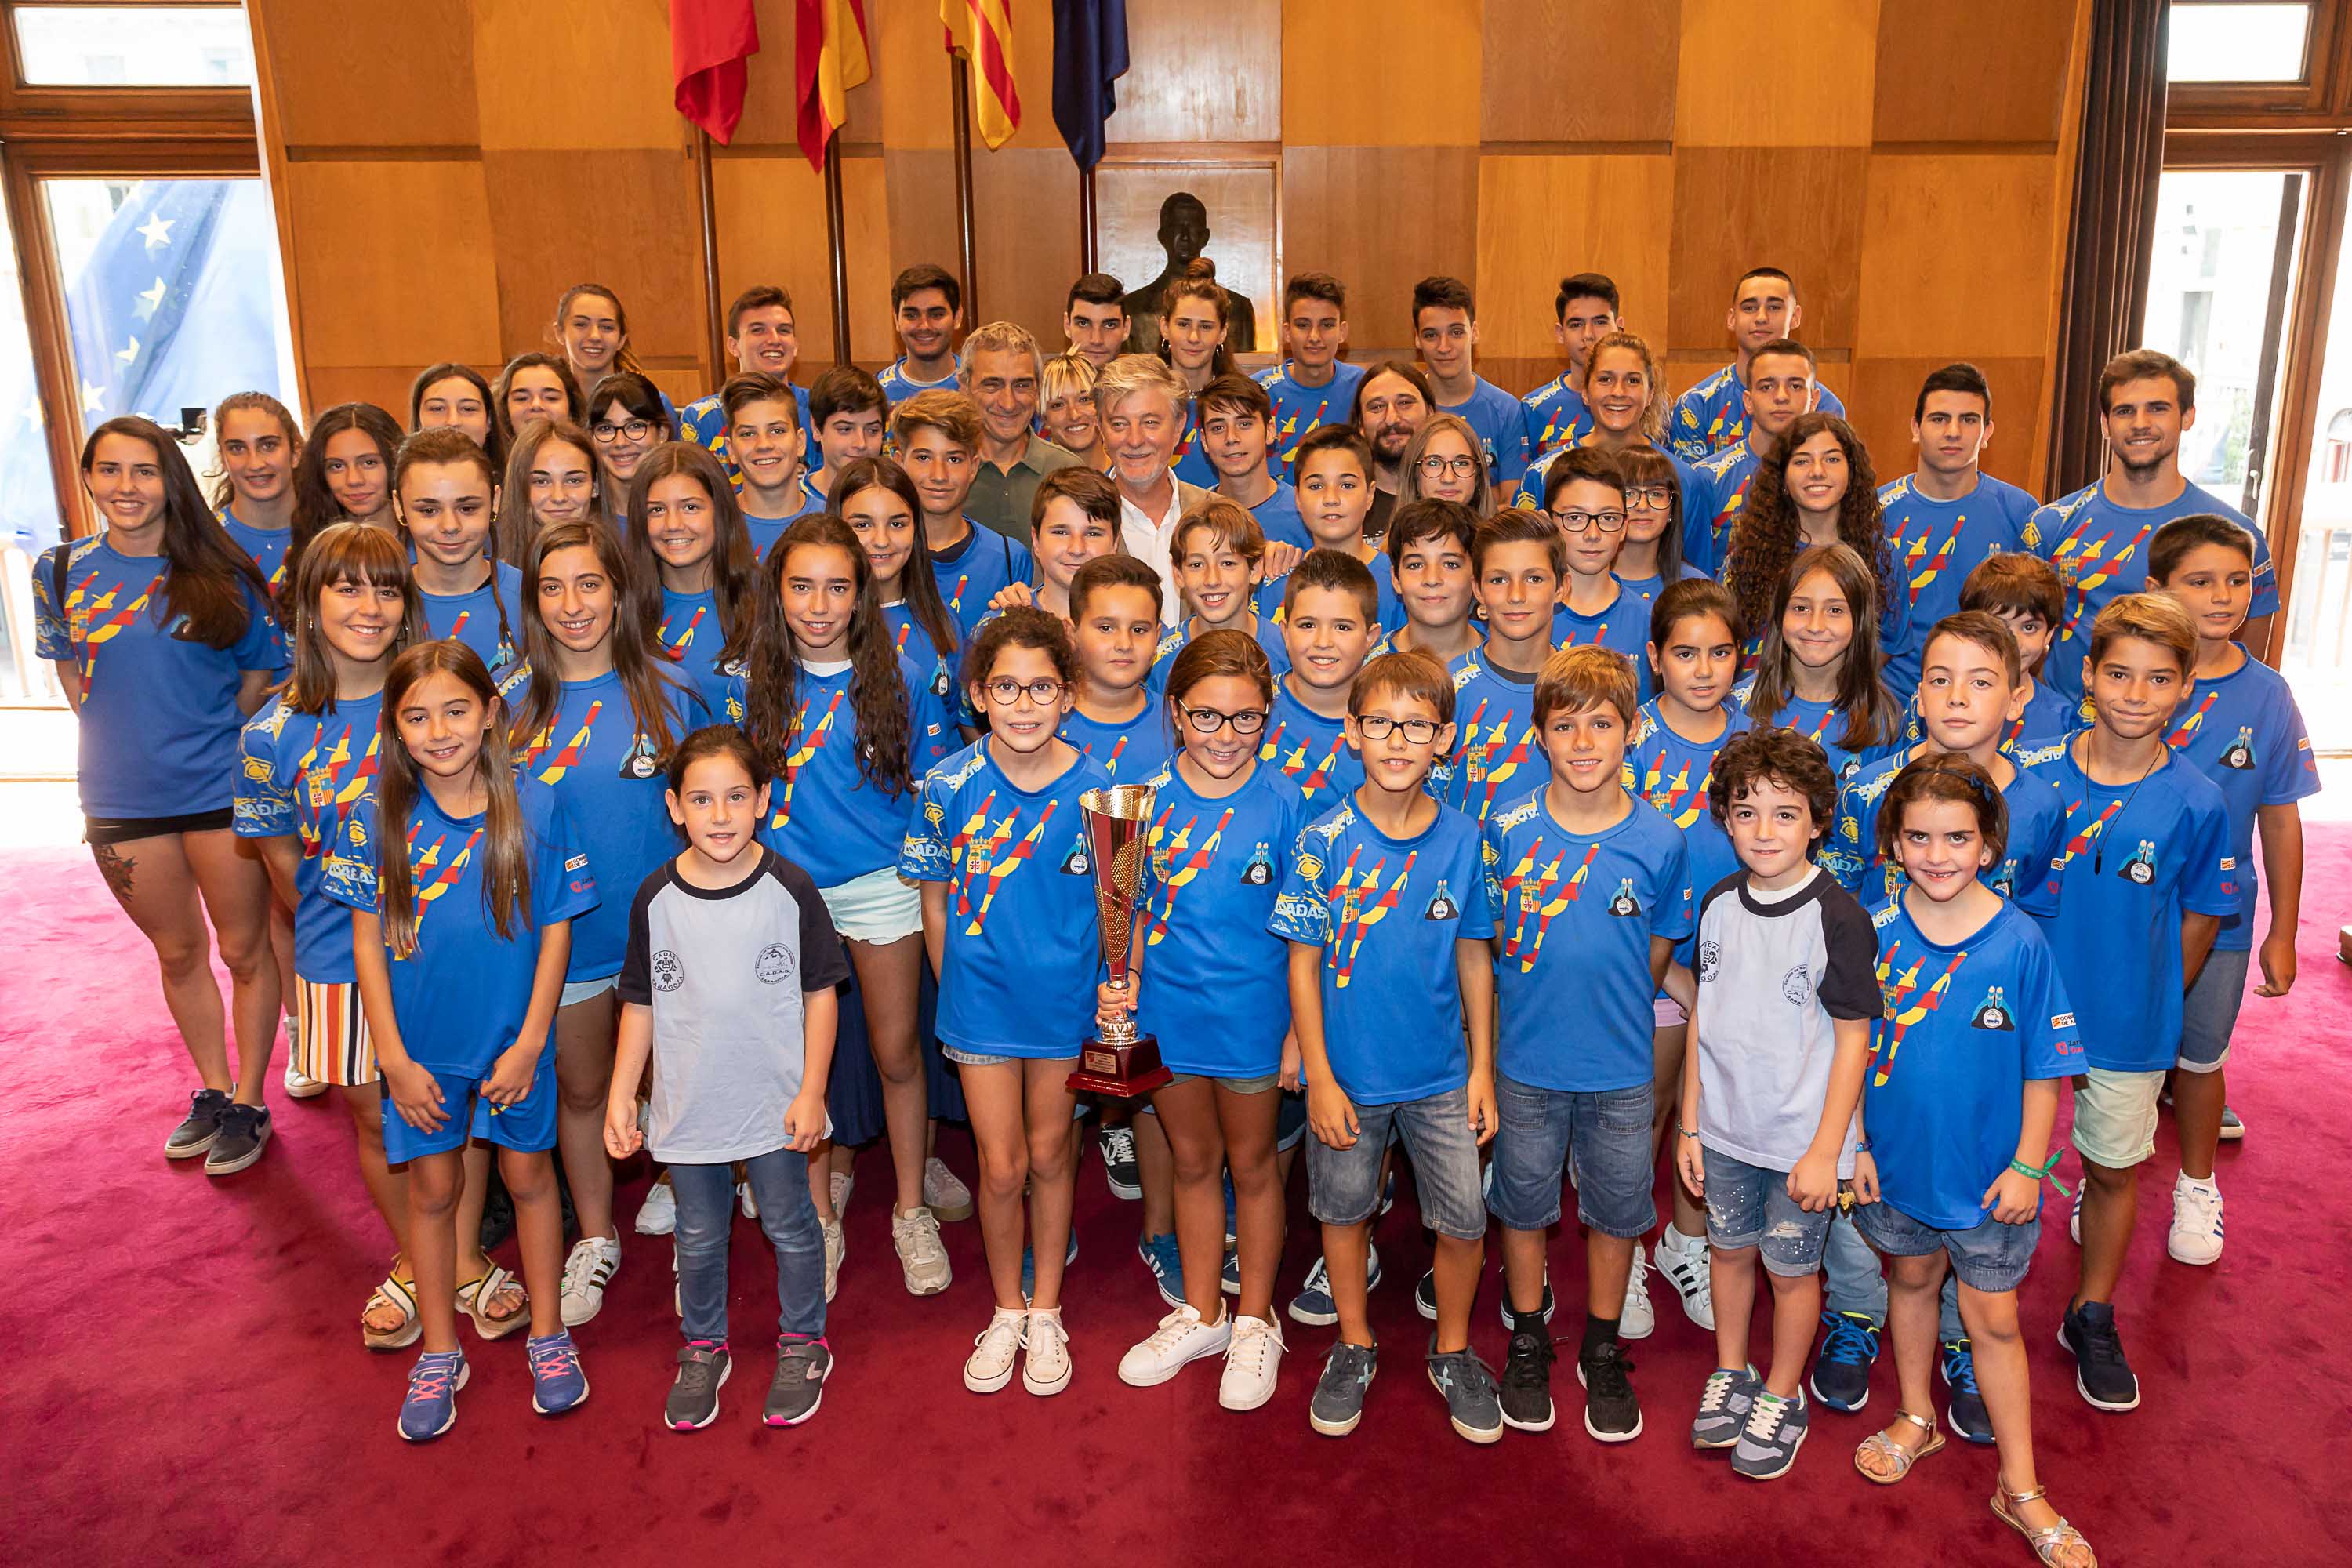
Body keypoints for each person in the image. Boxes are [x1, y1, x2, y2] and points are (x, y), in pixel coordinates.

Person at [240, 524, 506, 1352]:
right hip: (334, 956)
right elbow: (285, 869)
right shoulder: (270, 733)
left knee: (456, 1111)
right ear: (310, 606)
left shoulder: (432, 697)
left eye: (386, 588)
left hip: (452, 954)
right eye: (347, 588)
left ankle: (456, 1259)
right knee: (375, 1118)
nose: (369, 606)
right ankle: (425, 1260)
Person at [1812, 612, 2069, 1432]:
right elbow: (1844, 920)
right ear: (1914, 689)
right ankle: (1855, 1316)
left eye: (1982, 680)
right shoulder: (1865, 787)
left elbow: (2036, 948)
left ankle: (1964, 1341)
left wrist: (2031, 1157)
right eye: (1940, 677)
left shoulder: (2039, 800)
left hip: (1988, 1044)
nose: (1958, 697)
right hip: (1886, 1057)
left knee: (1976, 1242)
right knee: (1887, 1232)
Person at [331, 639, 593, 1441]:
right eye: (417, 715)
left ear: (489, 713)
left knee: (528, 1178)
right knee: (435, 1193)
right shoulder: (373, 817)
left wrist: (531, 1041)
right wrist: (394, 1059)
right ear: (395, 727)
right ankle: (441, 1350)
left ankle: (549, 1332)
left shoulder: (540, 806)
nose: (439, 730)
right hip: (423, 1052)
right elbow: (366, 946)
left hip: (515, 1043)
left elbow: (555, 935)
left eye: (455, 709)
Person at [1849, 756, 2096, 1568]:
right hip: (1897, 1165)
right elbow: (1848, 1047)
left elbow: (2044, 1065)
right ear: (1892, 842)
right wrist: (1853, 1139)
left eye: (1957, 837)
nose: (1938, 852)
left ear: (1989, 844)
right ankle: (1917, 1414)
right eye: (1918, 836)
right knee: (1910, 1282)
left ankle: (2019, 1484)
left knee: (1992, 1320)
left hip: (1992, 1177)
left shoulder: (2021, 940)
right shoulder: (1875, 928)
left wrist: (2030, 1166)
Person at [36, 416, 283, 1173]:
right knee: (177, 951)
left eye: (143, 471)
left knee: (243, 948)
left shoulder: (223, 574)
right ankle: (211, 1088)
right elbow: (77, 680)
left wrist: (197, 737)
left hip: (218, 791)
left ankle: (248, 1099)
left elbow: (256, 682)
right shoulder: (59, 570)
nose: (126, 487)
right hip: (119, 798)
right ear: (87, 478)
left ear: (170, 479)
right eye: (108, 471)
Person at [1273, 648, 1501, 1443]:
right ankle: (1355, 1340)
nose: (1398, 739)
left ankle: (1453, 1349)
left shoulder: (1467, 838)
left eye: (1417, 724)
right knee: (1341, 1208)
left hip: (1441, 1073)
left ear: (1445, 737)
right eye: (1380, 722)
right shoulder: (1321, 838)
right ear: (1351, 731)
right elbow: (1301, 964)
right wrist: (1322, 1075)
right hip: (1350, 1076)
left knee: (1464, 1218)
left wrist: (1481, 1069)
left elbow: (1476, 954)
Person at [737, 514, 957, 1298]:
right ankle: (819, 1218)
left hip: (880, 887)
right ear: (778, 591)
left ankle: (908, 1206)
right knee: (806, 1067)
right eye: (803, 585)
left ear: (863, 595)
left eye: (838, 586)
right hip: (785, 890)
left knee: (898, 1053)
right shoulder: (750, 680)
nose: (820, 603)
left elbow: (931, 792)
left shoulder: (899, 675)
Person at [606, 725, 851, 1430]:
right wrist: (626, 1094)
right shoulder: (655, 898)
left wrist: (812, 1091)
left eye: (737, 797)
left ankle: (804, 1340)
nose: (720, 815)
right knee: (699, 1235)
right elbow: (641, 1002)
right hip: (688, 1109)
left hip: (776, 1104)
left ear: (763, 800)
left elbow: (820, 995)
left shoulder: (791, 888)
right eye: (703, 800)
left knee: (792, 1226)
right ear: (675, 807)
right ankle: (703, 1346)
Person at [2025, 593, 2231, 1416]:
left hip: (2127, 1024)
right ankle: (1973, 1311)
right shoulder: (2033, 772)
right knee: (1999, 1159)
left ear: (2184, 688)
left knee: (2111, 1169)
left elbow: (2202, 911)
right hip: (2023, 1015)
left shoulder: (2198, 798)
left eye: (2157, 678)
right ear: (2088, 674)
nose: (2135, 694)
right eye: (2119, 673)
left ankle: (2093, 1310)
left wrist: (2156, 995)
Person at [902, 608, 1112, 1396]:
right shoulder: (946, 784)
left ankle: (1048, 1307)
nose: (1024, 704)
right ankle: (1008, 1306)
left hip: (1064, 1005)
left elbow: (1117, 904)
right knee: (1000, 1163)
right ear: (979, 695)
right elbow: (933, 902)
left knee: (1053, 1152)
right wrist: (953, 981)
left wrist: (1110, 990)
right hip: (980, 1000)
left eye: (1042, 687)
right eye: (1006, 687)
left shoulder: (1101, 789)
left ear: (1068, 693)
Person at [1485, 644, 1692, 1443]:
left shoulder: (1660, 840)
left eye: (1601, 724)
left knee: (1615, 1210)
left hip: (1619, 1068)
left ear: (1633, 732)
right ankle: (1530, 1332)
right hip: (1525, 1063)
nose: (1581, 742)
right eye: (1563, 725)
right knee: (1524, 1204)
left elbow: (1654, 954)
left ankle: (1602, 1344)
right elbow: (1492, 941)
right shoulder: (1503, 825)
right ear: (1537, 734)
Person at [503, 518, 706, 1327]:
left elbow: (713, 810)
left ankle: (699, 1224)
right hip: (570, 946)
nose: (572, 603)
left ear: (620, 589)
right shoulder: (508, 703)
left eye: (589, 583)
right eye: (551, 587)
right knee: (584, 1091)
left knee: (681, 1090)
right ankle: (594, 1234)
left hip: (670, 939)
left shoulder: (671, 687)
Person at [1101, 630, 1306, 1407]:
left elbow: (1306, 935)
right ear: (1175, 712)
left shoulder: (1292, 805)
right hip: (1171, 1019)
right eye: (1208, 717)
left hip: (1257, 1020)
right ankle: (1203, 1308)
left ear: (1269, 716)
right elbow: (1123, 922)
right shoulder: (1133, 804)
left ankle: (1256, 1318)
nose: (1227, 736)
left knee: (1253, 1168)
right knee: (1192, 1162)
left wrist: (1296, 1032)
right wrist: (1118, 991)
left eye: (1246, 718)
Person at [1673, 726, 1878, 1481]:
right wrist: (1690, 1122)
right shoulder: (1720, 903)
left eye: (1785, 813)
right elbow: (1705, 1015)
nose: (1764, 830)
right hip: (1724, 1132)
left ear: (1818, 822)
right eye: (1746, 810)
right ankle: (1732, 1372)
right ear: (1724, 817)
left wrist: (1831, 1148)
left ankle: (1783, 1394)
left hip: (1801, 1144)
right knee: (1727, 1253)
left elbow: (1854, 1039)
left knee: (1791, 1274)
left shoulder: (1837, 916)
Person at [2149, 514, 2316, 1247]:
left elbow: (2280, 819)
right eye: (2200, 581)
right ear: (2157, 590)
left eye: (2238, 580)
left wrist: (2283, 930)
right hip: (2124, 910)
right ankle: (2105, 1178)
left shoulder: (2270, 695)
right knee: (2118, 1060)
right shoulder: (2130, 678)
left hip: (2223, 917)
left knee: (2200, 1057)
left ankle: (2196, 1185)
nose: (2223, 596)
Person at [1627, 579, 1751, 1332]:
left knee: (1713, 1117)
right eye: (1684, 654)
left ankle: (1685, 1242)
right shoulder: (1628, 739)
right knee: (1650, 1110)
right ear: (1654, 658)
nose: (1703, 669)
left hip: (1739, 969)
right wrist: (1677, 974)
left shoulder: (1756, 737)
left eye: (1719, 653)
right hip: (1650, 966)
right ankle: (1631, 1250)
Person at [2031, 349, 2279, 709]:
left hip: (2186, 737)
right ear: (2105, 423)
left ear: (2188, 416)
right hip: (2065, 736)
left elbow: (2249, 661)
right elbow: (2021, 642)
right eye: (2125, 411)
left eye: (2158, 408)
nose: (2141, 423)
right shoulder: (2051, 524)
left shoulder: (2236, 535)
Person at [1876, 365, 2040, 694]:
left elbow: (2038, 622)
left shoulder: (2022, 513)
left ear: (1988, 431)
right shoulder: (1875, 510)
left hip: (1985, 699)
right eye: (1939, 419)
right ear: (1915, 428)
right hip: (1890, 700)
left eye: (1968, 420)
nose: (1953, 432)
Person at [1727, 411, 1909, 668]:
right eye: (1802, 461)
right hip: (1760, 699)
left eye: (1832, 459)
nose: (1817, 472)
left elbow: (1887, 642)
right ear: (1782, 478)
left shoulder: (1878, 554)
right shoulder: (1752, 552)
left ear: (1852, 472)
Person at [1440, 510, 1563, 834]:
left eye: (1534, 579)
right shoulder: (1447, 689)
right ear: (1477, 590)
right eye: (1498, 580)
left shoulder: (1587, 690)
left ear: (1563, 587)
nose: (1516, 595)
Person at [1739, 543, 1902, 782]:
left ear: (1860, 621)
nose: (1815, 626)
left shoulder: (1884, 720)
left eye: (1835, 610)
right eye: (1801, 608)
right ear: (1780, 616)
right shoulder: (1738, 704)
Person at [1517, 330, 1701, 528]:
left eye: (1633, 381)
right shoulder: (1542, 474)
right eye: (1605, 379)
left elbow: (1695, 558)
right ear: (1585, 392)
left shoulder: (1682, 479)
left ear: (1650, 394)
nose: (1618, 392)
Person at [626, 441, 758, 717]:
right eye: (656, 510)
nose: (673, 524)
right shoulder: (621, 609)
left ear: (720, 512)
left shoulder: (768, 598)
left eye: (690, 507)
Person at [895, 390, 1036, 637]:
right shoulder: (882, 555)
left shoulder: (1010, 558)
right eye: (924, 457)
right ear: (899, 463)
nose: (939, 475)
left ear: (973, 468)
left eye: (954, 460)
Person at [1670, 267, 1849, 461]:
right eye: (1749, 308)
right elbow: (1692, 487)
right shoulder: (1696, 405)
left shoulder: (1826, 407)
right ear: (1731, 319)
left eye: (1774, 307)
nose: (1761, 318)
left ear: (1795, 317)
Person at [1686, 338, 1821, 577]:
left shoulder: (1830, 480)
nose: (1781, 396)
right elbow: (1695, 576)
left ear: (1815, 400)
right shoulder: (1707, 478)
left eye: (1796, 386)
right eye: (1767, 386)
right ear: (1748, 402)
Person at [836, 456, 964, 705]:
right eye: (862, 524)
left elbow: (960, 726)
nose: (881, 540)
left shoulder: (943, 622)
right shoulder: (819, 623)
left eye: (897, 524)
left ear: (916, 530)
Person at [1263, 548, 1382, 812]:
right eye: (1307, 625)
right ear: (1285, 632)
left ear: (1370, 639)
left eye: (1342, 627)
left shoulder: (1392, 723)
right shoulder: (1251, 709)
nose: (1323, 642)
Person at [397, 428, 522, 676]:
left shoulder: (531, 596)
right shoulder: (380, 606)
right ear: (398, 505)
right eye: (429, 511)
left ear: (495, 501)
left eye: (467, 508)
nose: (450, 526)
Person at [1098, 353, 1212, 621]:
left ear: (1179, 426)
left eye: (1150, 423)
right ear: (1100, 429)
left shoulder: (1217, 512)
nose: (1135, 440)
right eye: (1119, 424)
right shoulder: (1079, 523)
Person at [1257, 424, 1401, 633]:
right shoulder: (1274, 579)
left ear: (1370, 495)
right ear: (1297, 497)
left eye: (1347, 485)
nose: (1331, 499)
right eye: (1316, 486)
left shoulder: (1397, 581)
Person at [1541, 449, 1653, 694]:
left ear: (1625, 527)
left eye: (1608, 518)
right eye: (1575, 518)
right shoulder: (1523, 616)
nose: (1593, 535)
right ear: (1548, 523)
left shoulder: (1650, 621)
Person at [1410, 276, 1530, 503]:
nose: (1444, 347)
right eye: (1431, 335)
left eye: (1456, 332)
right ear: (1417, 339)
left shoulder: (1506, 410)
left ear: (1474, 332)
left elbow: (1512, 504)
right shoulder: (1405, 406)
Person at [960, 321, 1080, 543]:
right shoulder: (944, 474)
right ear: (964, 387)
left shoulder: (1068, 470)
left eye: (1022, 385)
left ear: (1037, 388)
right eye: (992, 385)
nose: (1008, 403)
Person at [681, 285, 811, 485]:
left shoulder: (818, 408)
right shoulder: (700, 418)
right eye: (758, 330)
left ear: (795, 345)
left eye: (783, 330)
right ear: (734, 346)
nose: (774, 339)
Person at [1155, 499, 1291, 688]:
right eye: (1197, 565)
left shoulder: (1287, 651)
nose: (1212, 580)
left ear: (1255, 569)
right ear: (1178, 574)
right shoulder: (1159, 658)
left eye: (1228, 563)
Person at [1958, 555, 2074, 753]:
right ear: (1968, 626)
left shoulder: (2064, 721)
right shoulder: (1940, 702)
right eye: (1999, 625)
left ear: (2049, 635)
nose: (2014, 642)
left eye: (2029, 627)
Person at [1257, 273, 1367, 479]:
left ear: (1342, 332)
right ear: (1287, 332)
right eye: (1303, 325)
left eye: (1326, 325)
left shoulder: (1365, 388)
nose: (1315, 337)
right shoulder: (1257, 390)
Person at [1124, 193, 1258, 354]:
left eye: (1192, 227)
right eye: (1176, 227)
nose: (1185, 236)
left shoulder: (1238, 308)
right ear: (1162, 236)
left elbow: (1245, 370)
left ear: (1205, 237)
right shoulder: (1132, 306)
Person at [290, 403, 403, 583]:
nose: (354, 480)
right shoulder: (312, 550)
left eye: (369, 463)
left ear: (395, 461)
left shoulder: (427, 544)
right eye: (337, 466)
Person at [1200, 373, 1310, 548]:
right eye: (1218, 428)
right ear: (1204, 440)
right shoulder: (1192, 516)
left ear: (1270, 431)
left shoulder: (1306, 514)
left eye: (1244, 424)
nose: (1231, 437)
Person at [1156, 259, 1240, 489]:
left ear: (1222, 333)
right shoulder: (1145, 400)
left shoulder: (1242, 402)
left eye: (1206, 326)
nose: (1194, 337)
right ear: (1165, 327)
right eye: (1183, 324)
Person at [1520, 272, 1621, 460]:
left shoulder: (1641, 402)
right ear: (1560, 333)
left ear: (1619, 327)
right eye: (1576, 324)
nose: (1588, 335)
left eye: (1600, 322)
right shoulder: (1533, 407)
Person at [721, 372, 822, 556]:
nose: (764, 445)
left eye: (777, 430)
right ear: (731, 450)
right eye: (747, 434)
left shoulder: (833, 520)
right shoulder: (713, 527)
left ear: (800, 442)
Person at [211, 390, 302, 593]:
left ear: (296, 453)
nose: (255, 463)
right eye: (237, 448)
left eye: (268, 445)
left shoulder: (331, 537)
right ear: (223, 458)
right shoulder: (203, 543)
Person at [1377, 497, 1482, 663]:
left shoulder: (1504, 659)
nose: (1432, 579)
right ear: (1396, 579)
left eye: (1450, 564)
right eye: (1415, 565)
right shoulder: (1364, 663)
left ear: (1476, 577)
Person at [550, 283, 670, 423]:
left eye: (607, 327)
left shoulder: (652, 401)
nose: (595, 336)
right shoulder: (548, 404)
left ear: (621, 340)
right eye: (581, 325)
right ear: (559, 333)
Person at [497, 418, 607, 566]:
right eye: (541, 482)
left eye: (573, 481)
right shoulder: (501, 581)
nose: (559, 497)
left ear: (595, 486)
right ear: (521, 487)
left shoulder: (621, 572)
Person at [1613, 445, 1704, 616]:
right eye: (1629, 494)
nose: (1642, 506)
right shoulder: (1583, 584)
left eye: (1656, 494)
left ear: (1671, 508)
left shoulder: (1697, 588)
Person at [1352, 361, 1432, 543]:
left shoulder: (1452, 495)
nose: (1391, 419)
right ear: (1361, 425)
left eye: (1404, 403)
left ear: (1431, 413)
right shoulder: (1345, 504)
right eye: (1377, 407)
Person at [586, 372, 676, 524]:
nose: (620, 443)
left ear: (662, 433)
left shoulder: (684, 516)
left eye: (635, 426)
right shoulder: (581, 515)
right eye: (605, 428)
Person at [804, 365, 890, 503]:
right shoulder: (793, 502)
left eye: (873, 431)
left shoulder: (895, 501)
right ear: (816, 428)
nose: (861, 444)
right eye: (845, 429)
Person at [880, 264, 964, 401]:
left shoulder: (977, 387)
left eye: (936, 315)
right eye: (912, 315)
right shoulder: (876, 394)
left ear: (957, 317)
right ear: (896, 319)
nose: (924, 326)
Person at [1397, 413, 1497, 521]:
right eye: (1434, 463)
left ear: (1478, 475)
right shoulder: (1393, 538)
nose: (1448, 478)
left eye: (1462, 463)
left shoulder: (1502, 538)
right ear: (1414, 475)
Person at [493, 352, 586, 454]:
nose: (536, 405)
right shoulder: (486, 468)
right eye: (522, 398)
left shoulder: (591, 463)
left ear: (571, 408)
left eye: (551, 398)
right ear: (505, 409)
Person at [411, 362, 499, 466]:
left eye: (468, 409)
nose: (453, 422)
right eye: (438, 408)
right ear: (418, 421)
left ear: (489, 421)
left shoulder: (513, 481)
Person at [1040, 351, 1109, 472]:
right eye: (1058, 405)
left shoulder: (1128, 471)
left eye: (1085, 399)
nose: (1074, 415)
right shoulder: (1032, 482)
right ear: (1044, 417)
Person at [1063, 273, 1129, 371]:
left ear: (1126, 328)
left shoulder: (1149, 384)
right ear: (1067, 326)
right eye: (1083, 324)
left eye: (1109, 325)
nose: (1096, 340)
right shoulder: (1043, 384)